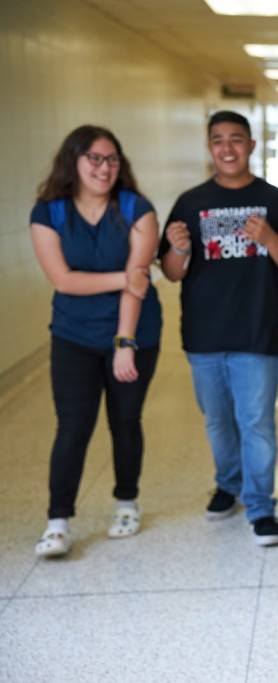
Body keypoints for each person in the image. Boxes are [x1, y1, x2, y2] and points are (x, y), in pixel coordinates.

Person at [159, 111, 278, 547]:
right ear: (209, 147)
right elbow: (173, 273)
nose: (227, 148)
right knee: (217, 422)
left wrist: (269, 239)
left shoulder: (276, 201)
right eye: (217, 140)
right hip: (203, 336)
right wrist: (176, 249)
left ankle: (261, 506)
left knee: (257, 424)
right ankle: (227, 485)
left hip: (255, 334)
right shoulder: (190, 202)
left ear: (250, 145)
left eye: (235, 139)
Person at [29, 125, 162, 557]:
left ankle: (126, 502)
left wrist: (124, 341)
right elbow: (63, 280)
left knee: (125, 421)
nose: (104, 169)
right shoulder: (49, 213)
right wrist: (124, 275)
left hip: (134, 330)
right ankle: (58, 521)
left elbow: (137, 288)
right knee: (72, 428)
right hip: (73, 334)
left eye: (112, 160)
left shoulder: (135, 208)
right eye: (95, 159)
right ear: (74, 161)